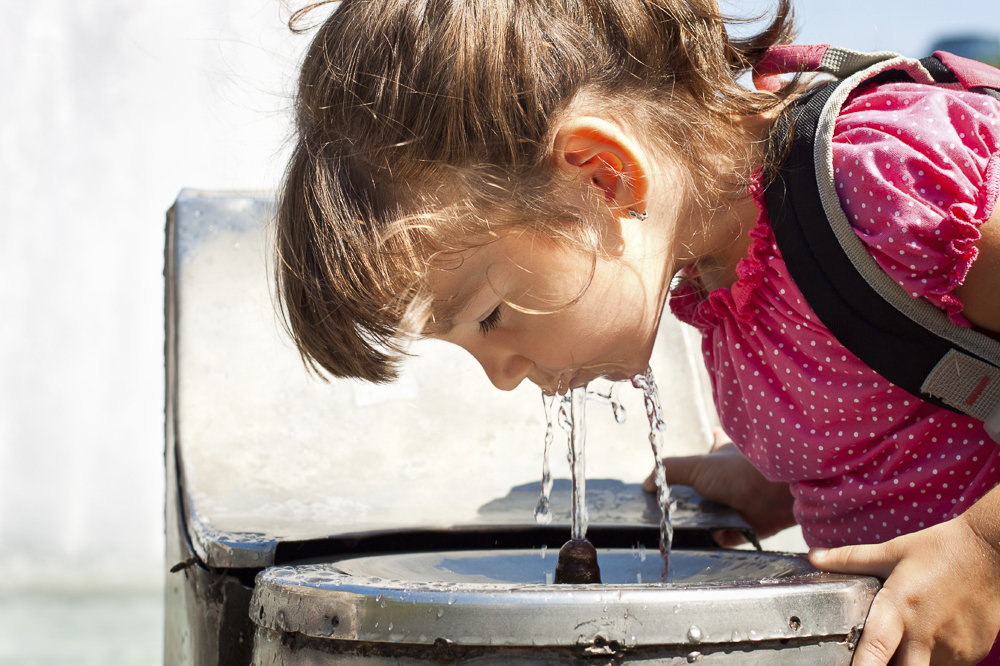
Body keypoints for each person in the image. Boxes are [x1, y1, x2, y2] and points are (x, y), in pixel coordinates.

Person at [274, 0, 1000, 663]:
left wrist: (984, 548)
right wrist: (784, 476)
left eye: (489, 316)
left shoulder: (882, 187)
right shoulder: (718, 269)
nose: (498, 374)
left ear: (602, 178)